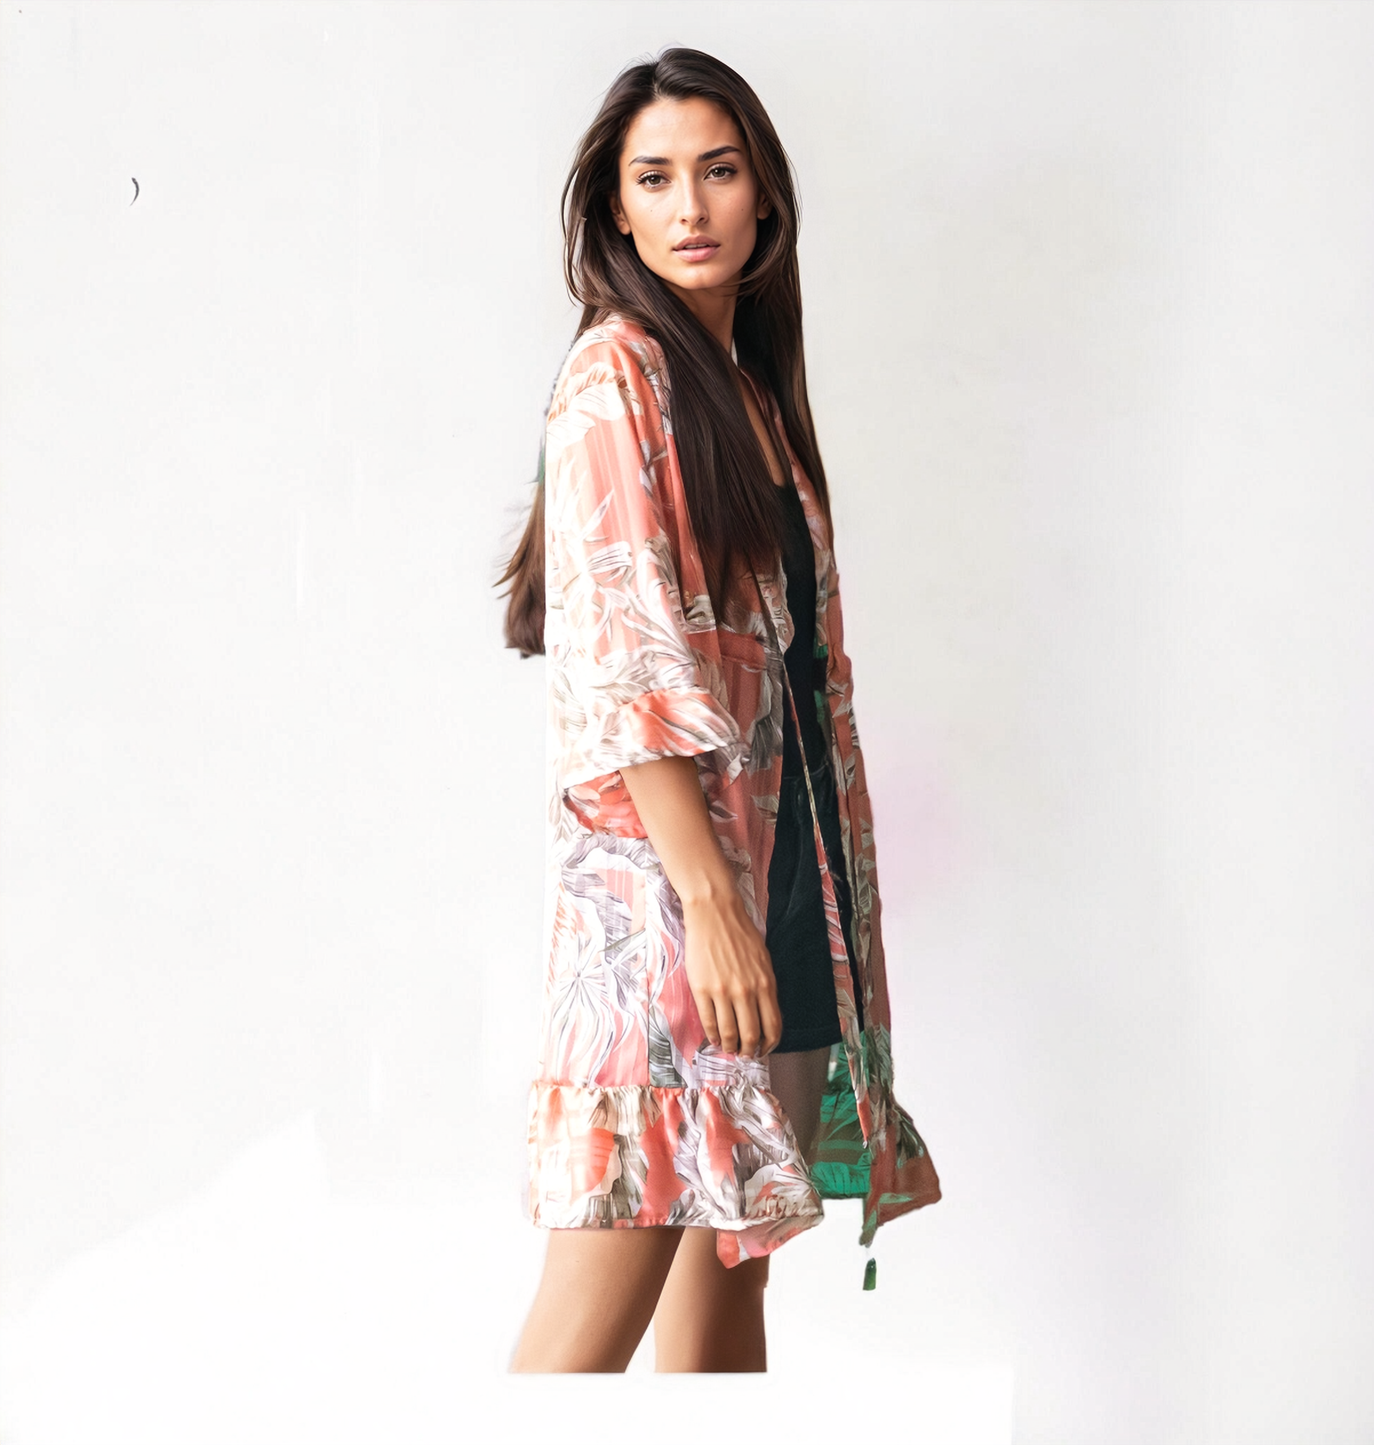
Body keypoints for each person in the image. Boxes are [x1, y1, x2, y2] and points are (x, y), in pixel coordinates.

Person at [496, 46, 940, 1373]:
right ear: (614, 210)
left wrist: (776, 913)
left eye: (719, 170)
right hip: (675, 916)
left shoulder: (749, 397)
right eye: (655, 178)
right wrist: (711, 908)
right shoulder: (615, 379)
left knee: (729, 1291)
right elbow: (622, 664)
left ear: (764, 198)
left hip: (788, 895)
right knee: (584, 1339)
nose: (690, 205)